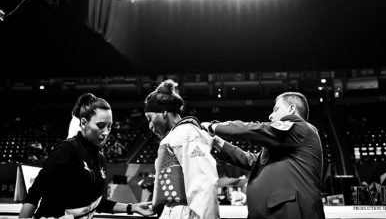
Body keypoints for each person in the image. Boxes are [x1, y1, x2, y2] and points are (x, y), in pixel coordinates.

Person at [19, 93, 153, 219]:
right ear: (83, 123)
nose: (106, 132)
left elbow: (95, 203)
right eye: (100, 126)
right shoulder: (66, 150)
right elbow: (35, 193)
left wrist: (133, 207)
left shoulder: (100, 159)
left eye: (109, 126)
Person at [203, 92, 326, 219]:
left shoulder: (299, 126)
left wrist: (214, 126)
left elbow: (254, 129)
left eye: (276, 110)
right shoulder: (284, 143)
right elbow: (251, 161)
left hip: (291, 212)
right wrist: (219, 143)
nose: (271, 115)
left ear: (291, 109)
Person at [144, 79, 220, 219]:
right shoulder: (177, 135)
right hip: (173, 211)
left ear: (164, 113)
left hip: (183, 212)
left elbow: (204, 184)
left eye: (150, 118)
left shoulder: (186, 133)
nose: (150, 125)